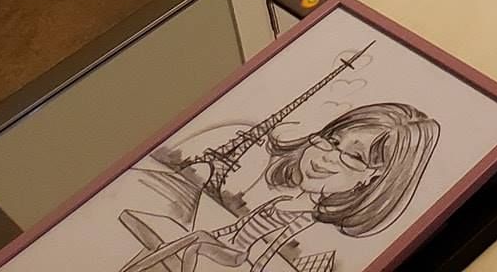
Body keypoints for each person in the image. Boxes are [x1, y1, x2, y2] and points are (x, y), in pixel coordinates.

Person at [117, 102, 440, 272]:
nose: (328, 157)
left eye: (354, 157)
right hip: (223, 246)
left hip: (235, 258)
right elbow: (237, 228)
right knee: (179, 239)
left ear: (375, 178)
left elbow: (268, 250)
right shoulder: (285, 200)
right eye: (331, 140)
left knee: (191, 241)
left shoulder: (310, 221)